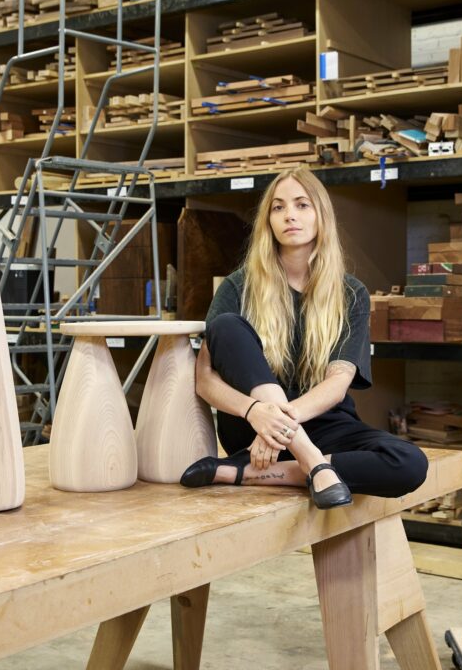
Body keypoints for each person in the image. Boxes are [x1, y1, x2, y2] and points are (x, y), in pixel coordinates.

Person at [180, 166, 428, 508]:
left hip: (321, 422)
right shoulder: (238, 286)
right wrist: (256, 412)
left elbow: (338, 384)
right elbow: (205, 381)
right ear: (268, 221)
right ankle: (314, 465)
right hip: (251, 425)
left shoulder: (350, 293)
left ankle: (248, 472)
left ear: (320, 215)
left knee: (409, 463)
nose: (289, 216)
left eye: (301, 204)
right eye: (278, 208)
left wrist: (280, 424)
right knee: (225, 324)